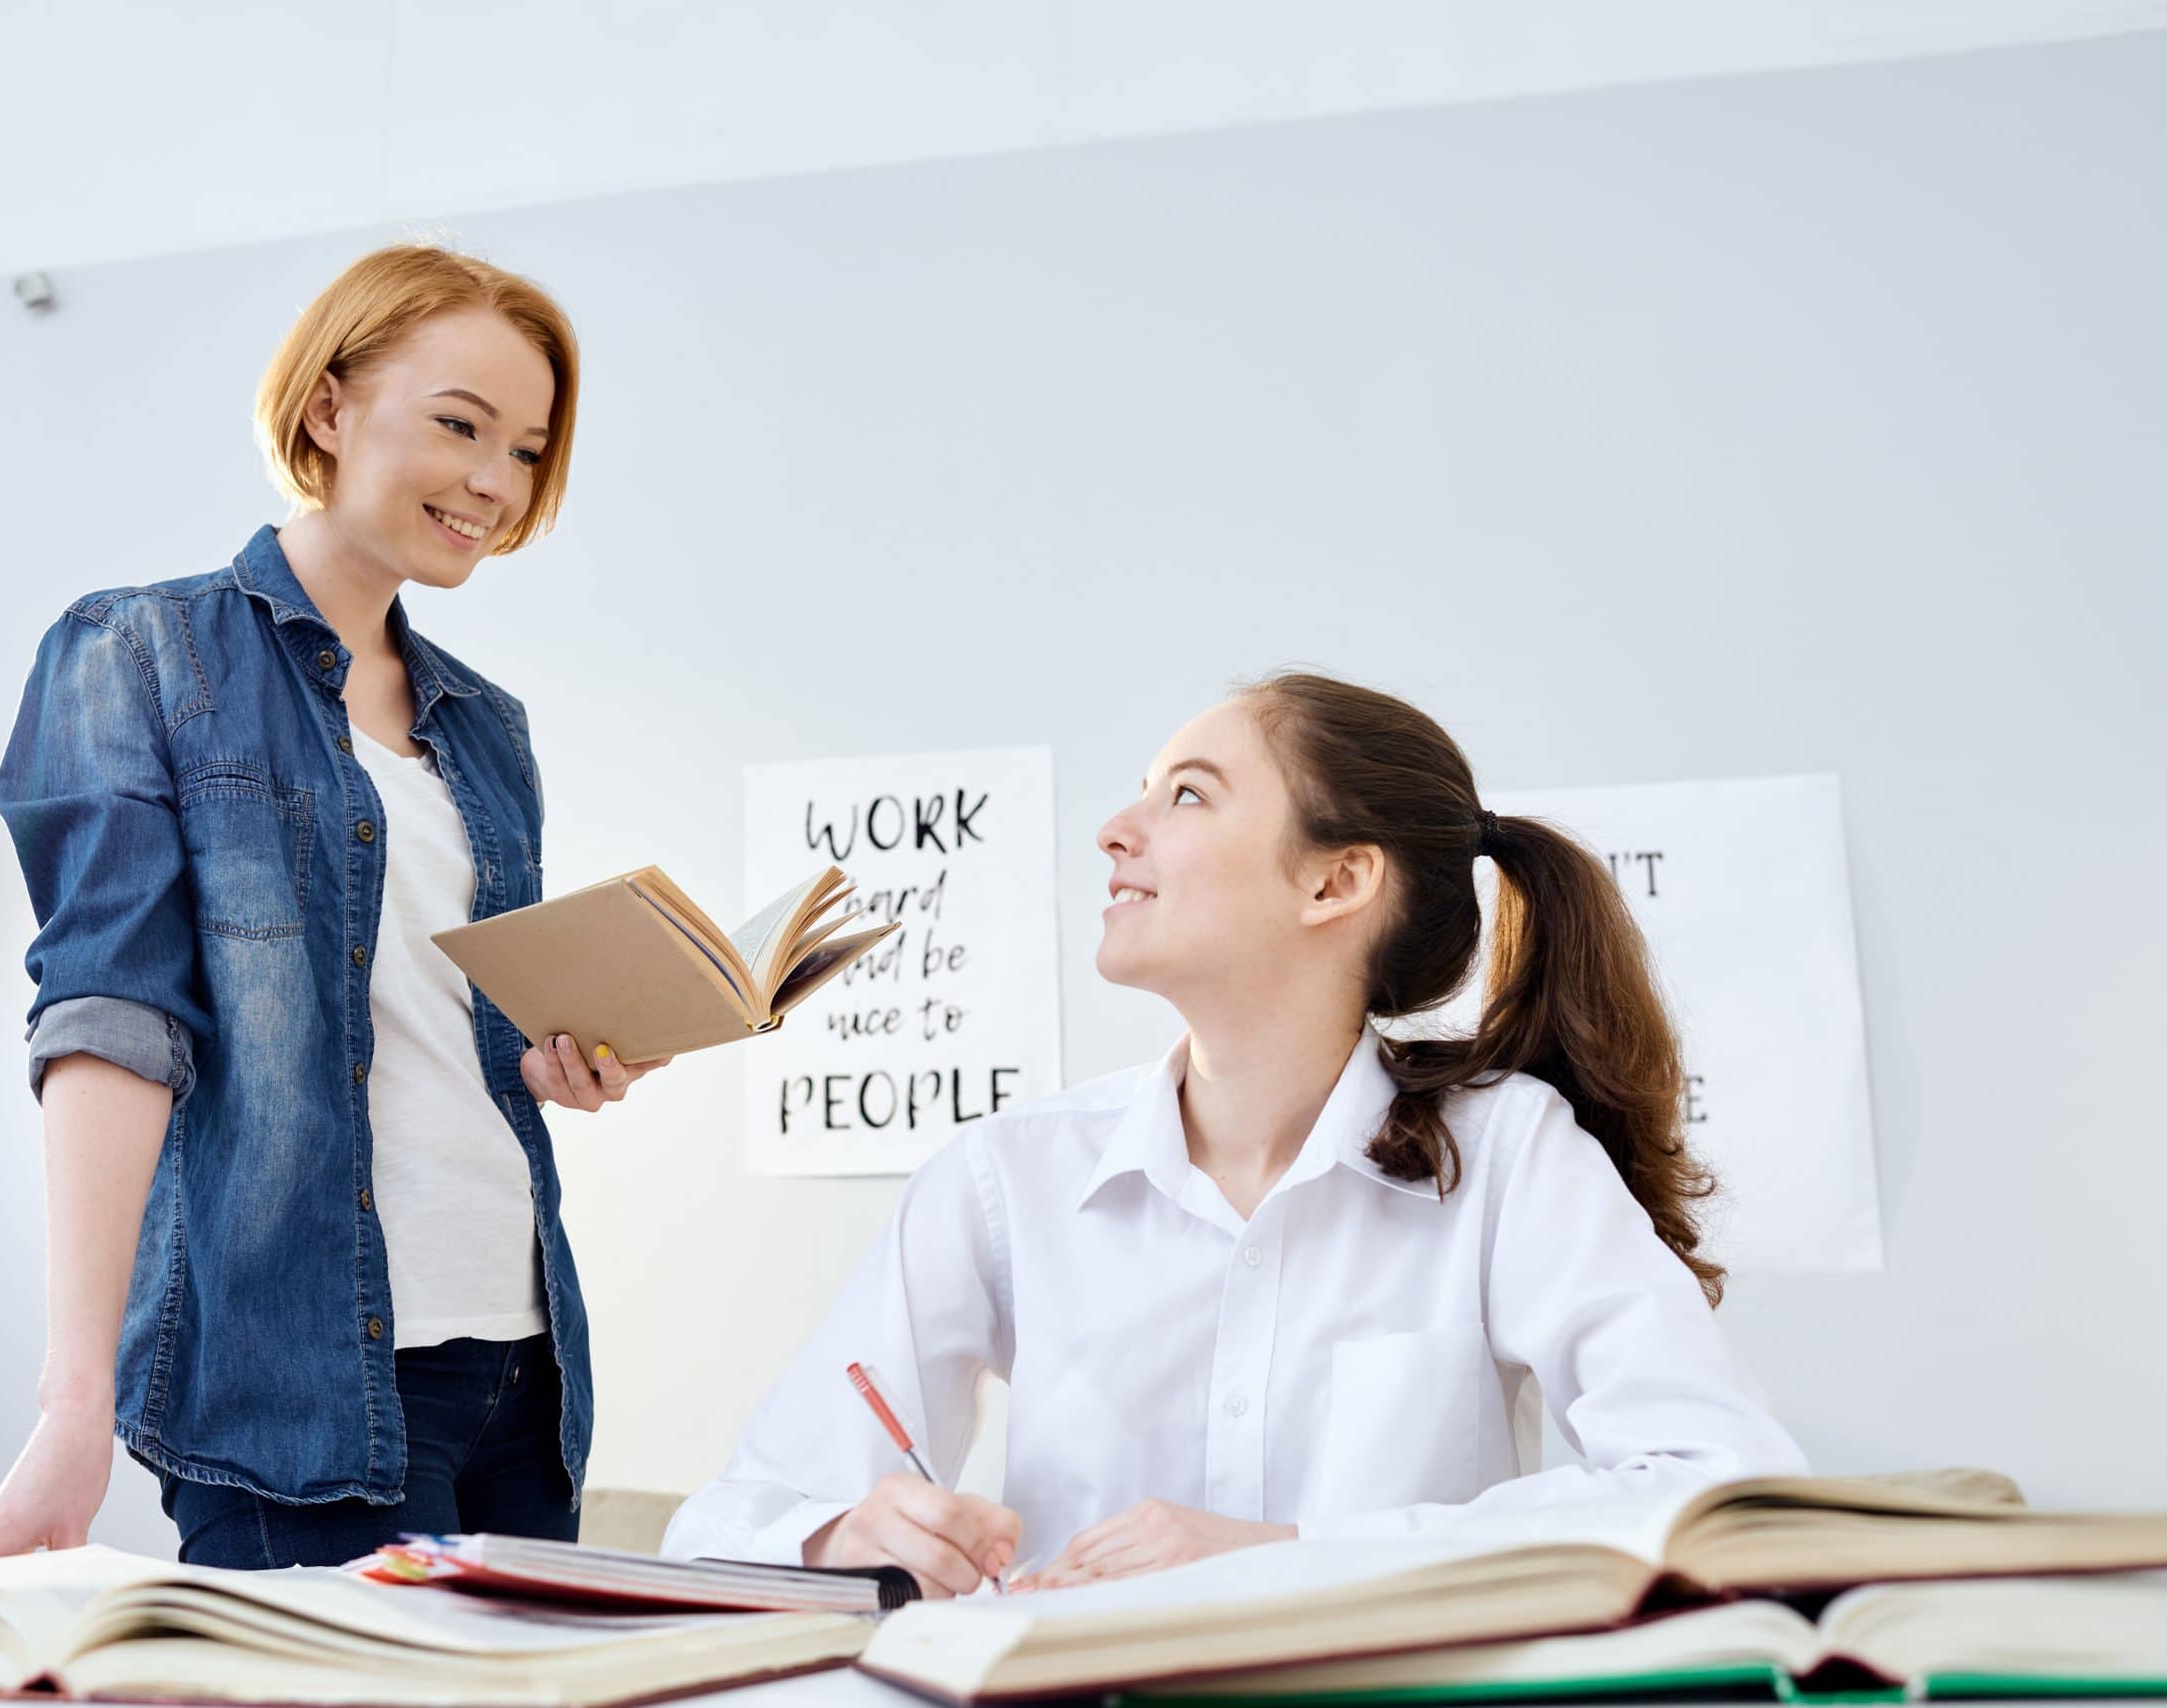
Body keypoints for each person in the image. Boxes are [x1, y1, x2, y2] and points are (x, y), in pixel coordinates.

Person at [663, 673, 1805, 1594]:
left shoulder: (1507, 1154)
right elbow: (725, 1522)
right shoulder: (1007, 1176)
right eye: (1141, 792)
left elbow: (1727, 1488)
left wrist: (1294, 1555)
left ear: (1336, 881)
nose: (1115, 831)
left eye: (1188, 795)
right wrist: (838, 1537)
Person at [0, 245, 667, 1570]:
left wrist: (569, 1056)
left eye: (527, 450)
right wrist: (73, 1406)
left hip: (524, 1372)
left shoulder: (489, 732)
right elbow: (111, 1020)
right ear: (328, 409)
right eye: (460, 425)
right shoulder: (139, 652)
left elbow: (443, 1036)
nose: (494, 483)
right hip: (297, 1385)